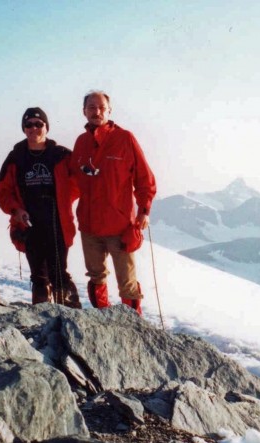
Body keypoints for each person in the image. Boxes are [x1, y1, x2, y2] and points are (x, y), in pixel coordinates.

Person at [71, 91, 156, 315]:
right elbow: (72, 180)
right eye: (91, 107)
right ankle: (102, 319)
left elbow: (144, 178)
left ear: (109, 111)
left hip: (119, 226)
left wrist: (144, 209)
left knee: (127, 282)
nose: (96, 111)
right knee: (96, 276)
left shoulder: (125, 139)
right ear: (84, 111)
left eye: (101, 107)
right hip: (89, 226)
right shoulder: (81, 142)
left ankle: (132, 326)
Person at [0, 107, 81, 308]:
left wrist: (64, 200)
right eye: (29, 124)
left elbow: (80, 182)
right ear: (24, 129)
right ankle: (42, 319)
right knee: (38, 274)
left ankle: (72, 317)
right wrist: (16, 210)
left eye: (38, 124)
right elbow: (2, 191)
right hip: (29, 224)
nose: (34, 128)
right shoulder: (15, 157)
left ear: (46, 127)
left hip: (57, 222)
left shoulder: (61, 155)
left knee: (59, 271)